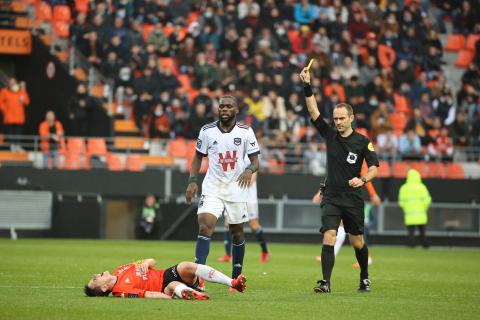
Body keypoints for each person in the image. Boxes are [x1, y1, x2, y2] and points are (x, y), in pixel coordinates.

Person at [299, 67, 379, 294]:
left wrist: (362, 180)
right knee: (329, 235)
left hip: (353, 197)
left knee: (357, 242)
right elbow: (313, 111)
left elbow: (374, 168)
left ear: (351, 118)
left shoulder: (363, 142)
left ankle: (364, 276)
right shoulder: (330, 135)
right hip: (332, 195)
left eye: (342, 118)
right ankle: (325, 282)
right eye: (335, 119)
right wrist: (307, 85)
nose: (338, 122)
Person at [185, 95, 260, 285]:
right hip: (213, 186)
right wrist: (193, 180)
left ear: (236, 110)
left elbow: (256, 161)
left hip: (236, 187)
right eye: (221, 107)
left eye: (229, 107)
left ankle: (236, 278)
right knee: (205, 225)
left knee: (237, 232)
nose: (224, 109)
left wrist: (249, 170)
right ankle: (197, 277)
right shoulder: (207, 131)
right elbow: (197, 157)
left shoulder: (246, 132)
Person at [313, 163, 381, 268]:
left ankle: (366, 258)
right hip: (343, 195)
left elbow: (365, 175)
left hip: (352, 197)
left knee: (354, 233)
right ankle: (332, 255)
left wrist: (373, 194)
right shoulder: (344, 154)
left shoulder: (355, 155)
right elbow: (333, 176)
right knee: (342, 226)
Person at [84, 258, 247, 300]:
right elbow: (147, 295)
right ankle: (192, 293)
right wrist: (168, 297)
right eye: (95, 280)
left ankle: (232, 282)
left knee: (186, 266)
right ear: (104, 288)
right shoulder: (120, 291)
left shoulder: (120, 269)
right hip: (162, 288)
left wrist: (146, 263)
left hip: (164, 274)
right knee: (173, 286)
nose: (95, 275)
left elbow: (152, 261)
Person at [218, 159, 270, 263]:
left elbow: (250, 182)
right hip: (233, 197)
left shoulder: (251, 158)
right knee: (227, 223)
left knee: (254, 226)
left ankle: (265, 251)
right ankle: (228, 255)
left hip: (248, 199)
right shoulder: (234, 155)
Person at [398, 169, 431, 248]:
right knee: (422, 232)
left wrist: (406, 209)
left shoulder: (404, 188)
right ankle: (425, 245)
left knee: (411, 232)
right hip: (421, 214)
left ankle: (411, 245)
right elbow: (427, 200)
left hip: (409, 215)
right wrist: (424, 208)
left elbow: (401, 202)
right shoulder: (422, 187)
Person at [0, 78, 30, 151]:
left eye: (13, 82)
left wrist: (23, 100)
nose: (12, 84)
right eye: (10, 83)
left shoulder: (21, 91)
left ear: (16, 83)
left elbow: (27, 101)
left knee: (18, 132)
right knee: (10, 133)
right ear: (8, 84)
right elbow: (0, 103)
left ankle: (18, 146)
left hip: (19, 117)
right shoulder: (4, 91)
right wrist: (6, 110)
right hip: (9, 117)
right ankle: (12, 146)